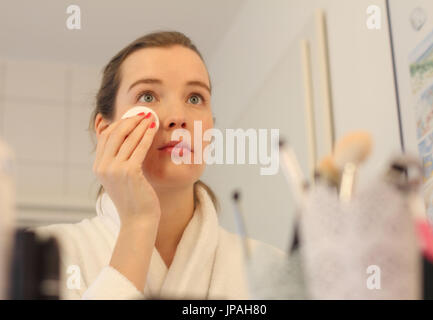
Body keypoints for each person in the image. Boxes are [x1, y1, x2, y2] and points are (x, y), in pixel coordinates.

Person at [32, 31, 283, 300]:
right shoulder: (41, 257)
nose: (178, 117)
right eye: (148, 96)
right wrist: (138, 225)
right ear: (105, 130)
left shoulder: (273, 269)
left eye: (195, 98)